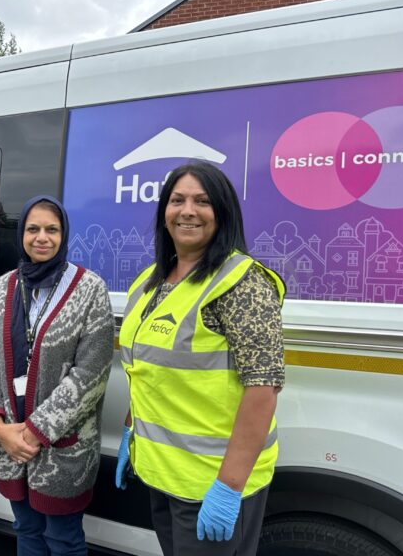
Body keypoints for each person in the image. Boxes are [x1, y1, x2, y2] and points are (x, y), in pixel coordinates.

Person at [115, 162, 285, 556]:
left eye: (202, 201)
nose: (187, 211)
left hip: (214, 484)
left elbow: (262, 388)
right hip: (164, 475)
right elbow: (146, 370)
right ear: (164, 212)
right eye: (177, 201)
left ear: (222, 213)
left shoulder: (241, 282)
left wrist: (228, 488)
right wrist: (131, 431)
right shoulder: (150, 281)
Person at [0, 196, 114, 555]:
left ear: (64, 235)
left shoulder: (89, 288)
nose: (42, 238)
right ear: (21, 233)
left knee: (63, 540)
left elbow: (91, 374)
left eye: (52, 229)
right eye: (33, 229)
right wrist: (0, 428)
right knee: (27, 531)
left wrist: (34, 433)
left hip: (62, 449)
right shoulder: (1, 289)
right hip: (8, 445)